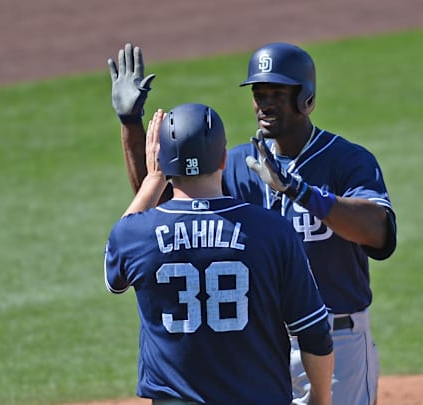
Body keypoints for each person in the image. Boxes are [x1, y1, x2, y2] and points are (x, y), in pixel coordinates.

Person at [107, 42, 397, 405]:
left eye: (277, 92)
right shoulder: (240, 163)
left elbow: (378, 232)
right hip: (257, 344)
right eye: (259, 93)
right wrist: (132, 126)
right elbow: (165, 215)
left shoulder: (347, 160)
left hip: (337, 340)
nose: (265, 103)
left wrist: (302, 192)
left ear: (306, 98)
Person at [104, 104, 334, 404]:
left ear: (161, 160)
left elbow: (115, 277)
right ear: (224, 158)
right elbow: (313, 331)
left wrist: (153, 179)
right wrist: (321, 399)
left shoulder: (133, 235)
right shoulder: (273, 231)